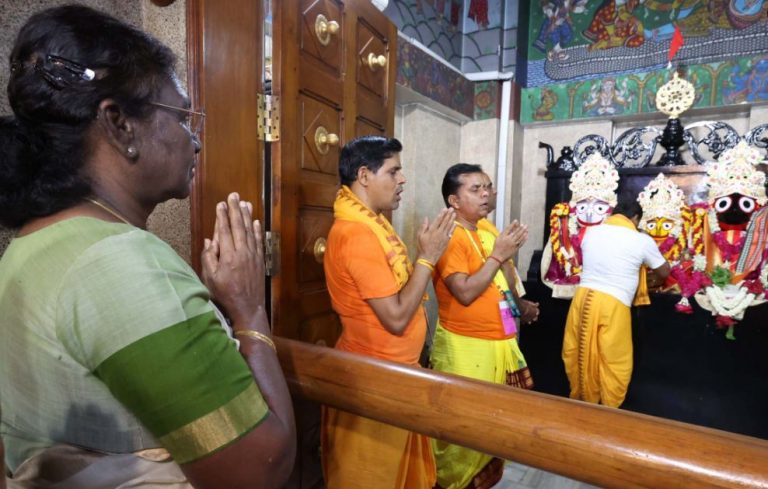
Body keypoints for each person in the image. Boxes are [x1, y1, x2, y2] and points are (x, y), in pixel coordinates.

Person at [0, 6, 295, 488]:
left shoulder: (32, 241)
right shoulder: (120, 263)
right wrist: (247, 310)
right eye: (182, 116)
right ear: (120, 124)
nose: (195, 141)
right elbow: (257, 471)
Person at [322, 136, 454, 489]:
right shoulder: (356, 234)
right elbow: (395, 319)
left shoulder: (372, 225)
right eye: (394, 171)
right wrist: (427, 257)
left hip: (392, 373)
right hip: (374, 381)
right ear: (364, 175)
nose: (402, 180)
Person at [431, 163, 532, 489]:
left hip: (501, 341)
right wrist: (498, 255)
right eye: (475, 189)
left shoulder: (487, 229)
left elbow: (502, 281)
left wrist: (521, 306)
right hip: (466, 346)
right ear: (454, 201)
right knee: (463, 426)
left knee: (493, 424)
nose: (486, 193)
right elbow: (464, 293)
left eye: (487, 186)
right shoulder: (449, 236)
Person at [562, 199, 670, 408]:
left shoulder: (591, 233)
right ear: (636, 219)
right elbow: (664, 271)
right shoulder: (641, 240)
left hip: (582, 299)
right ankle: (609, 410)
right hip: (614, 303)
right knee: (614, 361)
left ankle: (581, 404)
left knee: (577, 351)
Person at [477, 172, 539, 326]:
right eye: (487, 187)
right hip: (488, 318)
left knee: (507, 343)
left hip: (502, 312)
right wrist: (520, 308)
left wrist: (518, 307)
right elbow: (500, 280)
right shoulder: (478, 230)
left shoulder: (484, 226)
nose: (493, 192)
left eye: (489, 187)